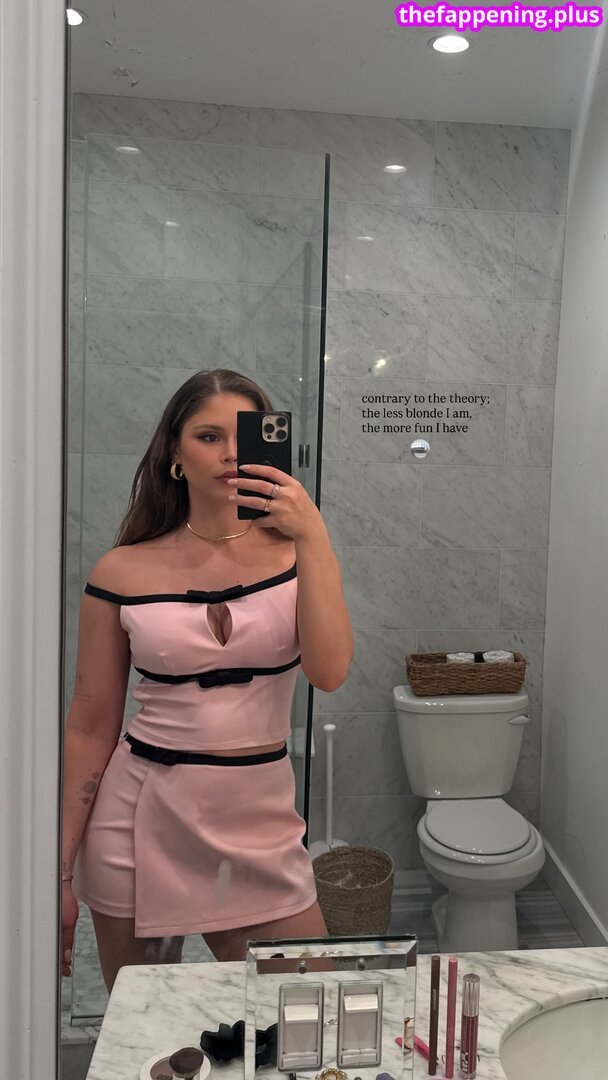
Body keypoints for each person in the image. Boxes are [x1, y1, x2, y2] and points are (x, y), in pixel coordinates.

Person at [61, 368, 354, 991]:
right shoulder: (122, 570)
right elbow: (90, 721)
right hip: (138, 822)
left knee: (308, 1013)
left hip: (260, 825)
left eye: (246, 437)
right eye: (209, 436)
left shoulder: (298, 552)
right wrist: (59, 872)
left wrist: (312, 531)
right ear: (175, 452)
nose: (230, 454)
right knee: (148, 1029)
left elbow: (329, 671)